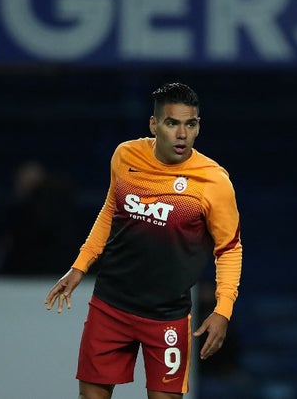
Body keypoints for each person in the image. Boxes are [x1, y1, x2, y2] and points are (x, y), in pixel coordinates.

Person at [44, 82, 243, 399]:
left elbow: (229, 249)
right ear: (154, 124)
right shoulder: (126, 156)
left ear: (198, 127)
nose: (182, 134)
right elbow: (110, 211)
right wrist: (79, 266)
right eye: (172, 123)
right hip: (111, 305)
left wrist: (223, 309)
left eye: (190, 124)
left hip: (167, 315)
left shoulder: (213, 181)